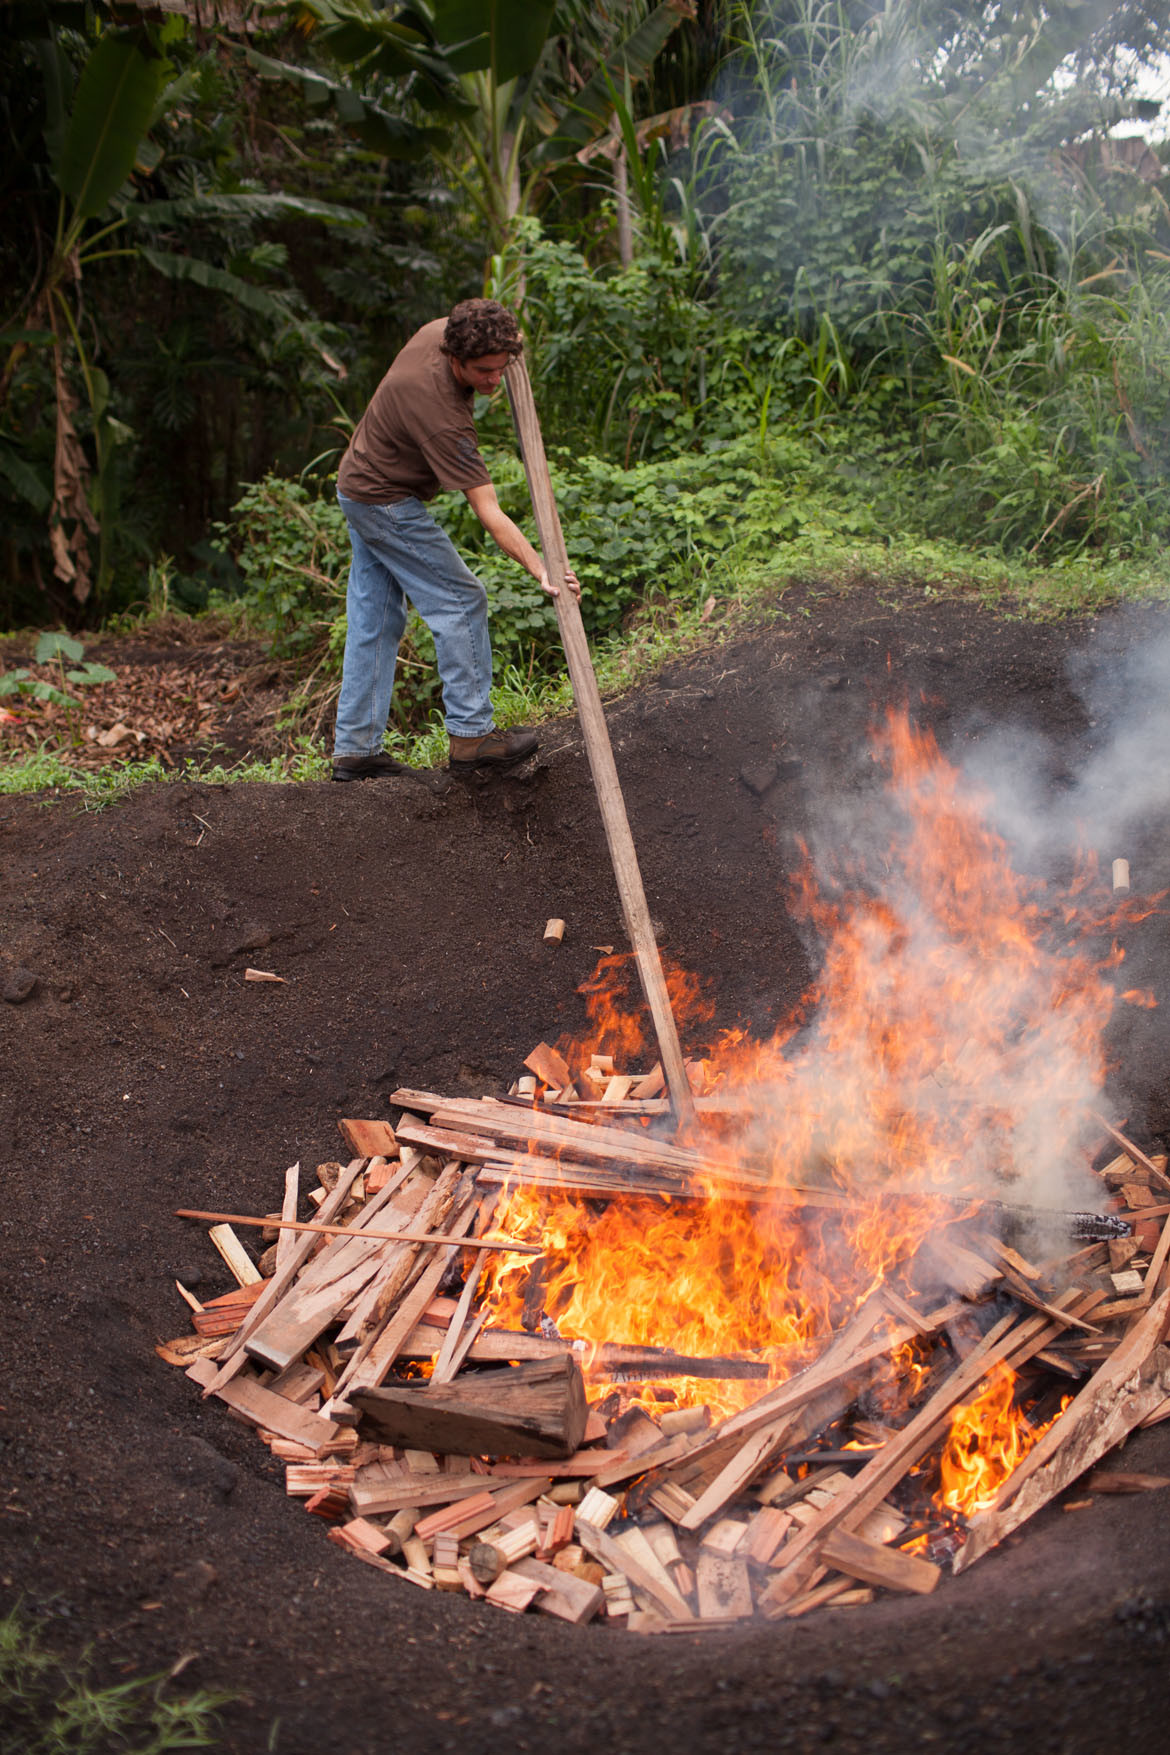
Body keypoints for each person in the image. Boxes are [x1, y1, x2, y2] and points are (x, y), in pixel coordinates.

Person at [331, 297, 579, 781]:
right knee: (462, 601)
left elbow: (495, 340)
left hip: (357, 484)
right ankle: (471, 737)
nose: (494, 380)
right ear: (454, 358)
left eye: (502, 367)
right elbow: (489, 510)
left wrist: (511, 349)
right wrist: (540, 567)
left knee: (375, 619)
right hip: (382, 499)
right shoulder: (443, 416)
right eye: (484, 371)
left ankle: (356, 750)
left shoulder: (445, 329)